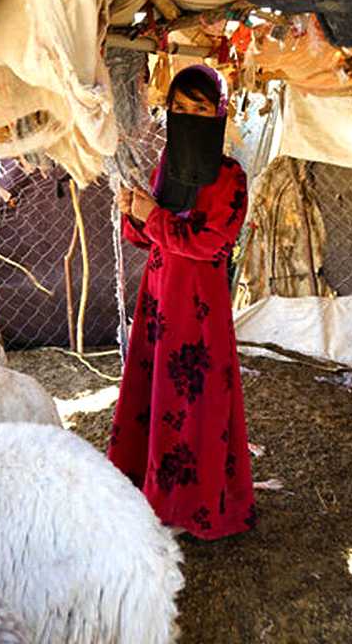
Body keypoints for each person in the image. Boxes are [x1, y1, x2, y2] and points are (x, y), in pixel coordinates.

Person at [109, 64, 256, 540]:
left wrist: (152, 218)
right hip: (158, 300)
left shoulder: (231, 176)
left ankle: (194, 505)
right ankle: (154, 496)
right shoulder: (167, 166)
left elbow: (210, 245)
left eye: (200, 108)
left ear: (218, 113)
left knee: (195, 405)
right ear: (167, 111)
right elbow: (148, 239)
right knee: (156, 399)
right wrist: (132, 212)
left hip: (198, 309)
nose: (189, 115)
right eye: (180, 107)